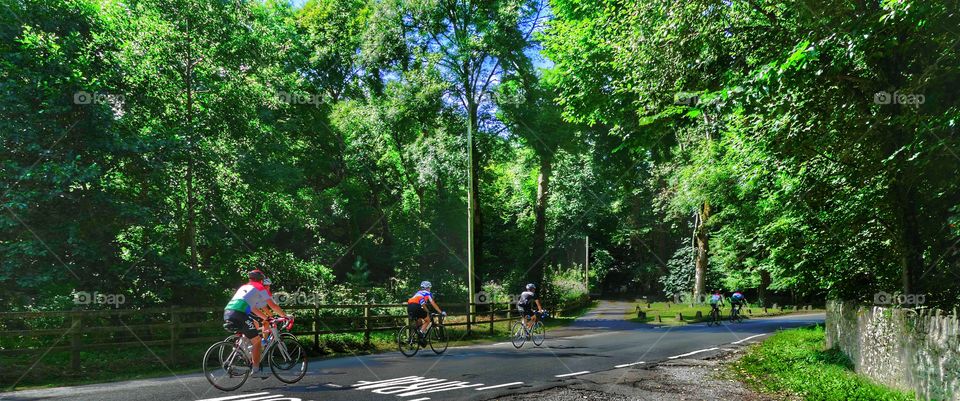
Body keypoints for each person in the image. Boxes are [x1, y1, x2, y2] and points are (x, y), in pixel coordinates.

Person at [223, 270, 288, 378]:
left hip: (228, 312)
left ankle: (241, 351)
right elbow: (273, 306)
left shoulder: (244, 287)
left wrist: (266, 318)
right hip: (240, 314)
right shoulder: (259, 287)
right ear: (261, 280)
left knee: (254, 326)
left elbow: (253, 308)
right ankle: (256, 371)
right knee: (257, 341)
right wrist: (285, 316)